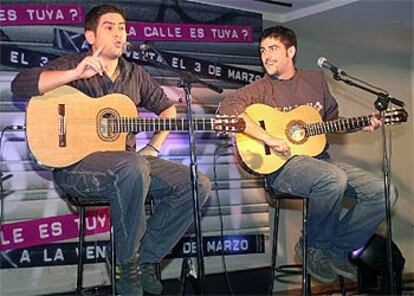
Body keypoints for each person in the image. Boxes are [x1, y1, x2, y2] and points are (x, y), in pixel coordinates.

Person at [11, 4, 211, 296]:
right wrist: (74, 73)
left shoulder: (135, 74)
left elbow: (168, 110)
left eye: (122, 28)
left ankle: (145, 258)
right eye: (109, 27)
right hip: (76, 170)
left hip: (130, 169)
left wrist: (153, 146)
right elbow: (20, 85)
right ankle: (125, 262)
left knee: (196, 184)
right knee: (133, 166)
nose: (119, 34)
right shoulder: (72, 63)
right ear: (90, 36)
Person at [218, 26, 398, 283]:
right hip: (281, 168)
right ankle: (313, 246)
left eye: (273, 49)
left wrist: (363, 122)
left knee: (384, 190)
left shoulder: (315, 81)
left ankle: (336, 249)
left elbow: (332, 122)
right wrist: (269, 138)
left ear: (291, 51)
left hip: (320, 162)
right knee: (333, 178)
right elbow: (229, 108)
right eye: (262, 50)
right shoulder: (260, 88)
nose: (265, 56)